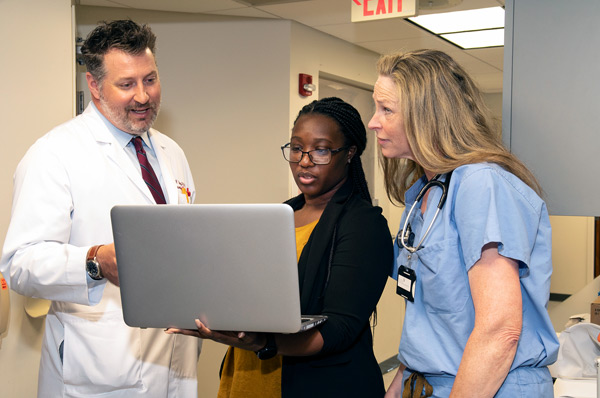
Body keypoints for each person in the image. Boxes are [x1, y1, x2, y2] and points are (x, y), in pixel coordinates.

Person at [0, 20, 200, 397]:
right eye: (126, 84)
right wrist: (94, 262)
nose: (143, 96)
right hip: (98, 370)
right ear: (93, 85)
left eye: (150, 79)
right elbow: (21, 264)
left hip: (175, 364)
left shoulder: (172, 153)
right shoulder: (54, 155)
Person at [168, 97, 393, 397]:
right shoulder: (277, 217)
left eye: (321, 150)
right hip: (247, 378)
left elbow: (339, 330)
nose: (304, 161)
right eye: (297, 148)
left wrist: (264, 342)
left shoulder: (363, 225)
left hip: (316, 385)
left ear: (350, 153)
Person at [368, 49, 559, 398]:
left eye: (386, 110)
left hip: (490, 385)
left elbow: (500, 331)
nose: (373, 122)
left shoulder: (480, 184)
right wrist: (400, 384)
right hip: (429, 382)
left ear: (427, 116)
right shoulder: (428, 190)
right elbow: (432, 317)